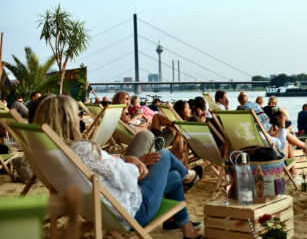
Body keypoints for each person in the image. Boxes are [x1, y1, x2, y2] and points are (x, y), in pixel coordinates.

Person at [33, 95, 205, 238]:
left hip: (100, 210)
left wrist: (127, 160)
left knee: (174, 177)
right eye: (77, 114)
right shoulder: (81, 150)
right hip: (131, 212)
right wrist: (134, 162)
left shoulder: (49, 154)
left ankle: (188, 231)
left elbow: (106, 171)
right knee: (165, 155)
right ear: (68, 120)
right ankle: (189, 176)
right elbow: (129, 181)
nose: (79, 118)